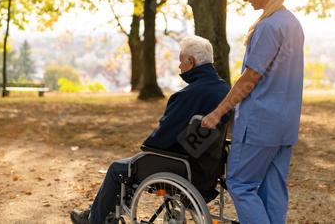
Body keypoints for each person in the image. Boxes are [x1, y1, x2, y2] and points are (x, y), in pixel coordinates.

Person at [70, 35, 231, 224]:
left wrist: (148, 144)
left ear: (191, 61)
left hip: (181, 168)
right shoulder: (225, 91)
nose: (180, 67)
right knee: (131, 166)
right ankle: (99, 214)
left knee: (118, 169)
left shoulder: (187, 96)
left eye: (181, 62)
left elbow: (158, 141)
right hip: (207, 169)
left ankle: (94, 220)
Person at [201, 0, 305, 224]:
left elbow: (249, 79)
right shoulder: (291, 22)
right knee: (272, 189)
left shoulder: (268, 27)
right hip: (285, 124)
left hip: (260, 124)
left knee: (240, 184)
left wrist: (217, 113)